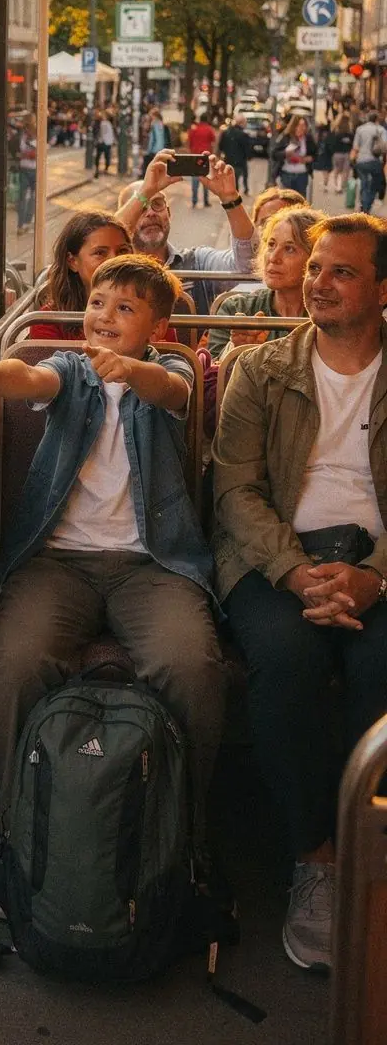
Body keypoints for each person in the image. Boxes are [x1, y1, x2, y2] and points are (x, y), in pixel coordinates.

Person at [0, 254, 226, 859]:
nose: (104, 317)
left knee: (191, 666)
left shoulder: (171, 366)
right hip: (58, 563)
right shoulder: (71, 368)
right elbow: (29, 377)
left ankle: (180, 834)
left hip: (151, 565)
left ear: (157, 328)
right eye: (97, 304)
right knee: (17, 663)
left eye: (125, 309)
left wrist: (132, 370)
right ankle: (16, 828)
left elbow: (170, 389)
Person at [212, 214, 387, 972]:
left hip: (374, 561)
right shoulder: (263, 370)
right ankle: (314, 860)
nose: (318, 281)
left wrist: (375, 577)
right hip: (276, 557)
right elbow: (236, 490)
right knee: (283, 660)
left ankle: (363, 852)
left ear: (383, 289)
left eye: (341, 271)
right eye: (316, 266)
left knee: (378, 668)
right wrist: (296, 571)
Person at [115, 148, 256, 315]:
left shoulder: (198, 263)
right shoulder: (112, 268)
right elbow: (106, 236)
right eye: (141, 206)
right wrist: (145, 190)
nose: (151, 213)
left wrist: (230, 199)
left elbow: (248, 265)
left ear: (168, 213)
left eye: (158, 203)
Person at [207, 206, 324, 361]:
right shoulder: (237, 309)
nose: (273, 257)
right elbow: (211, 378)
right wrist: (235, 350)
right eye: (271, 245)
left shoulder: (327, 317)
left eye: (289, 249)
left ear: (314, 260)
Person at [29, 209, 133, 340]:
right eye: (100, 253)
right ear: (72, 261)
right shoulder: (48, 321)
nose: (115, 260)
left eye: (122, 251)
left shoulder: (149, 312)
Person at [350, 110, 387, 214]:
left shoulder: (360, 129)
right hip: (375, 162)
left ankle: (363, 204)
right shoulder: (381, 130)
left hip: (361, 162)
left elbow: (355, 147)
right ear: (376, 119)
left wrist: (352, 160)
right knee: (375, 185)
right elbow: (385, 147)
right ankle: (367, 207)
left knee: (364, 183)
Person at [271, 115, 316, 198]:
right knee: (286, 201)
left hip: (302, 175)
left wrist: (309, 158)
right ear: (294, 126)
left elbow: (315, 154)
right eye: (299, 125)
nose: (302, 128)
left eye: (304, 125)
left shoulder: (308, 139)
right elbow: (274, 154)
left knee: (300, 200)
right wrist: (286, 153)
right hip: (286, 175)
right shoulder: (286, 137)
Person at [188, 112, 218, 207]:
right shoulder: (209, 129)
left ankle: (194, 200)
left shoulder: (194, 129)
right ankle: (205, 201)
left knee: (195, 179)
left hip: (194, 157)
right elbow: (213, 141)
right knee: (205, 178)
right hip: (205, 157)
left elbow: (189, 141)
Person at [219, 113, 252, 196]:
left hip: (229, 160)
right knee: (242, 175)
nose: (246, 124)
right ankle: (244, 190)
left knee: (233, 179)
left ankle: (236, 192)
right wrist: (249, 156)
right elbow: (247, 149)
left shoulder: (226, 132)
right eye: (245, 122)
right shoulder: (243, 135)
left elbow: (221, 146)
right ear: (241, 123)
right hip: (240, 161)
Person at [16, 113, 37, 232]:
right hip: (26, 168)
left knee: (29, 197)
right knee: (25, 198)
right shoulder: (22, 135)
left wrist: (24, 155)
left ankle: (25, 223)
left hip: (31, 169)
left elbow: (35, 154)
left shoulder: (35, 135)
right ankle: (23, 224)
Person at [329, 113, 354, 194]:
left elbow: (331, 144)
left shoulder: (336, 133)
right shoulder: (350, 134)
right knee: (345, 171)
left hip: (337, 154)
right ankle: (342, 186)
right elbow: (352, 144)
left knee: (336, 170)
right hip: (346, 154)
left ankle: (337, 186)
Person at [142, 106, 166, 171]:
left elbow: (153, 139)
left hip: (154, 149)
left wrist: (149, 150)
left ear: (155, 116)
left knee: (150, 167)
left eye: (151, 116)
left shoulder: (154, 124)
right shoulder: (161, 124)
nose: (151, 118)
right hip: (161, 148)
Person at [94, 111, 115, 176]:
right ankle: (105, 169)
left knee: (99, 156)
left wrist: (100, 140)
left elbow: (103, 133)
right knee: (107, 156)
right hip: (107, 142)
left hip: (103, 142)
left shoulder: (104, 123)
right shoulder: (109, 123)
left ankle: (98, 169)